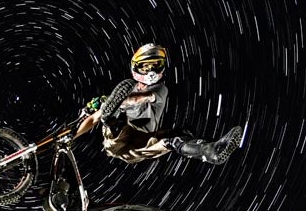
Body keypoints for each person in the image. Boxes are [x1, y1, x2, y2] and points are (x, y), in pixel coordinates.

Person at [73, 44, 243, 165]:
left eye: (156, 66)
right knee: (112, 116)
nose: (151, 71)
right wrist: (72, 137)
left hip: (141, 141)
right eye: (146, 67)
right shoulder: (125, 89)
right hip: (118, 140)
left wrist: (113, 102)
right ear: (136, 67)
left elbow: (143, 97)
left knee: (175, 137)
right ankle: (113, 124)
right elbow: (94, 118)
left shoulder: (160, 89)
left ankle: (210, 151)